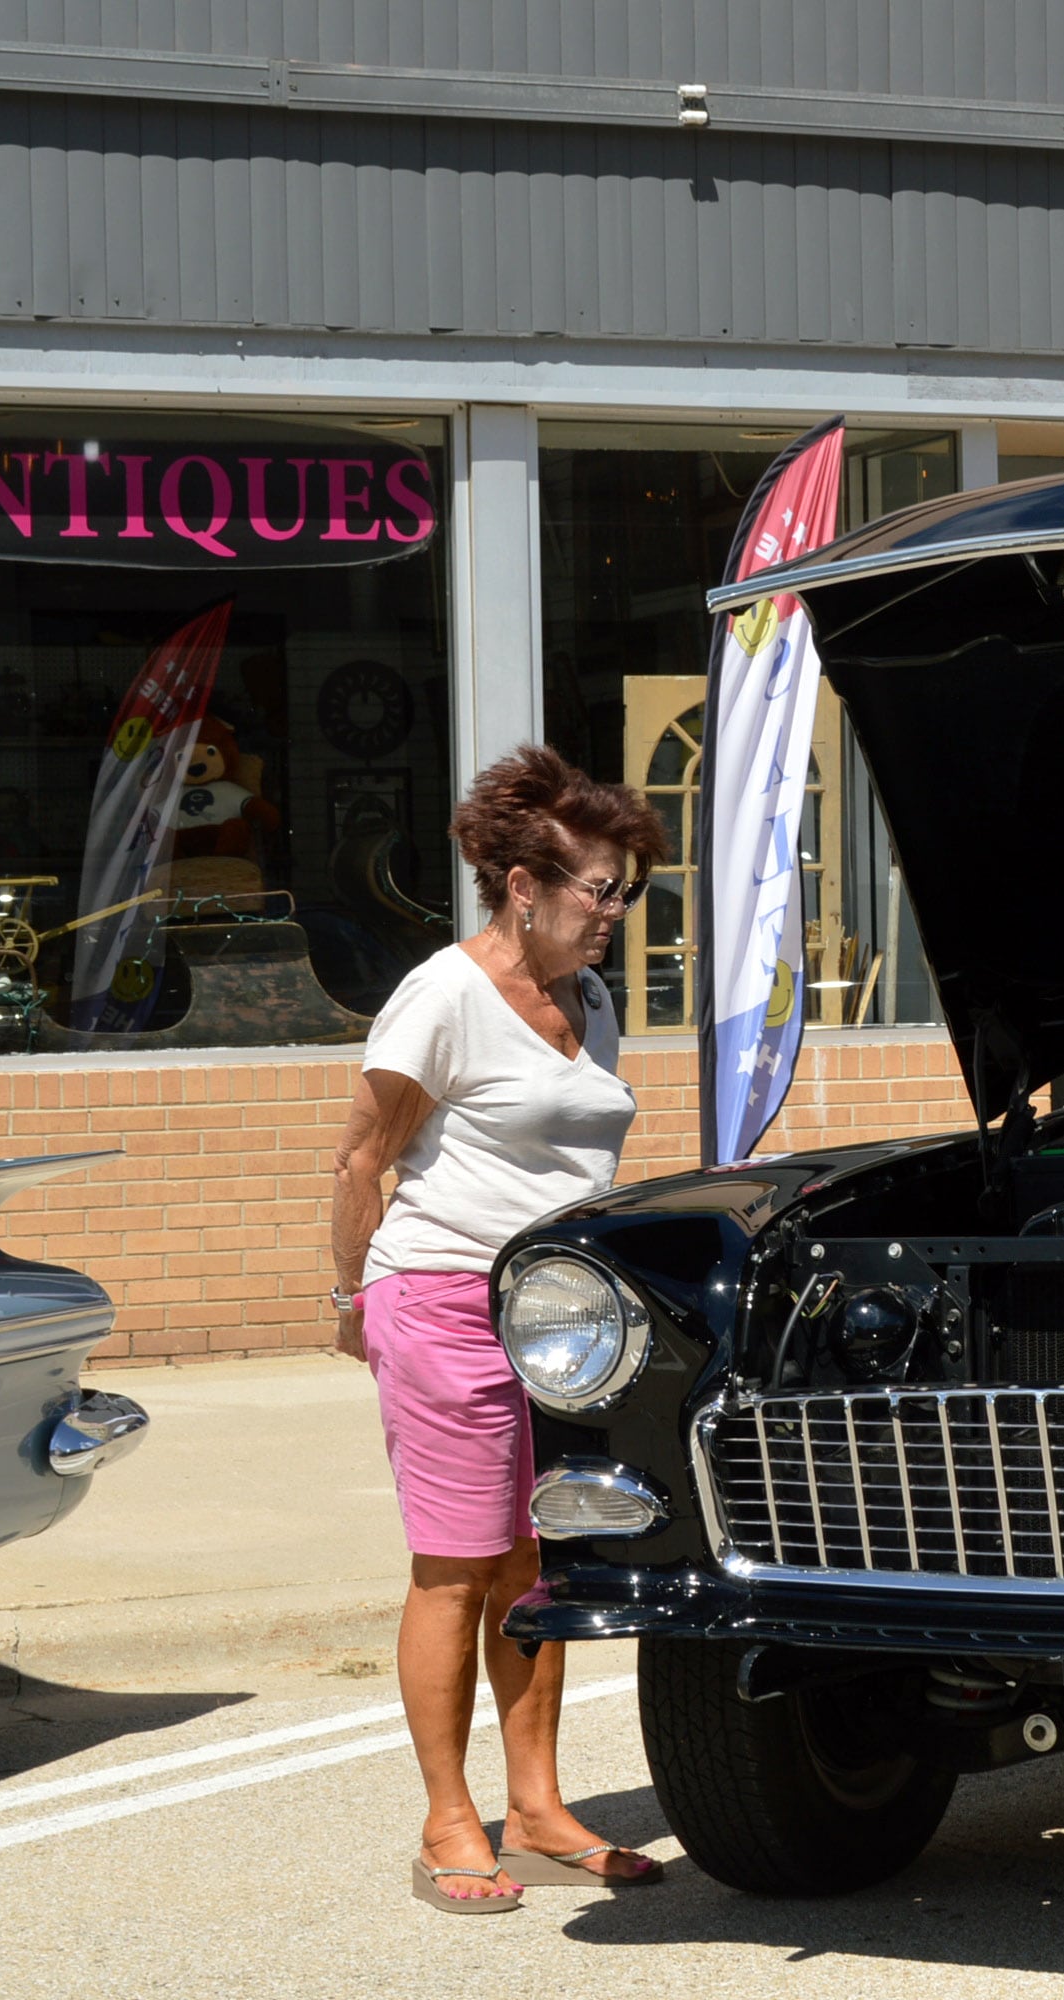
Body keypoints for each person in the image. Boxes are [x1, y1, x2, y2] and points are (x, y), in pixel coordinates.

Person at [328, 745, 672, 1913]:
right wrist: (349, 1301)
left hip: (557, 1328)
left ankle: (535, 1806)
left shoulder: (592, 999)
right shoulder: (443, 993)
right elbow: (363, 1157)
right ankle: (446, 1817)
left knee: (541, 1562)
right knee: (456, 1567)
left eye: (626, 892)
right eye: (598, 890)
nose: (613, 914)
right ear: (523, 885)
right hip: (441, 1299)